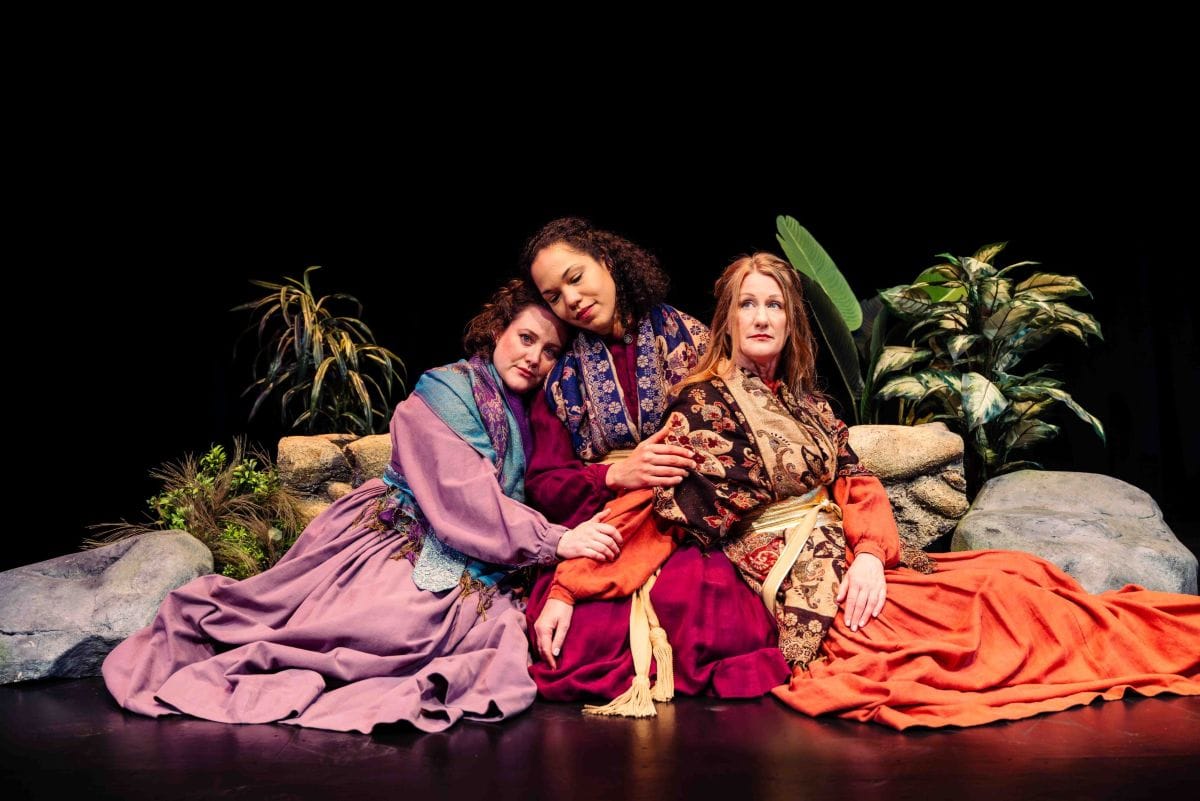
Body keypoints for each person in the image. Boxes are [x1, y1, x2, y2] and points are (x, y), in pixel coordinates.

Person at [536, 252, 1200, 728]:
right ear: (728, 320)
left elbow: (856, 485)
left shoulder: (805, 402)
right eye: (748, 303)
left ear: (791, 322)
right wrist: (569, 585)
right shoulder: (705, 404)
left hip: (853, 561)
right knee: (978, 629)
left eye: (775, 304)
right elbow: (650, 513)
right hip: (805, 586)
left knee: (1017, 576)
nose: (762, 315)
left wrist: (870, 556)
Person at [102, 279, 624, 734]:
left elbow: (535, 484)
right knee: (390, 627)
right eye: (526, 339)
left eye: (551, 351)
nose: (535, 357)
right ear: (497, 334)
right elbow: (461, 495)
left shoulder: (532, 411)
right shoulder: (443, 392)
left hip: (479, 541)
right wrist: (554, 539)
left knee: (486, 638)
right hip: (398, 531)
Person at [521, 217, 791, 701]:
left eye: (575, 277)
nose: (571, 300)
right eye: (553, 296)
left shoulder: (695, 342)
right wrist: (614, 474)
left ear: (606, 261)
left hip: (688, 521)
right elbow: (542, 483)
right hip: (605, 520)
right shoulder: (560, 380)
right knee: (586, 639)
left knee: (706, 608)